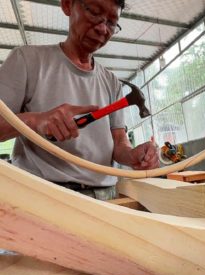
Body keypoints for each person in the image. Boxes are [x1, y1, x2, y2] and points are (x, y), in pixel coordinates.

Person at [0, 0, 159, 200]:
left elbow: (119, 142)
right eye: (94, 12)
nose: (102, 28)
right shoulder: (26, 60)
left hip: (105, 198)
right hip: (42, 196)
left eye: (111, 23)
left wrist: (134, 155)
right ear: (67, 5)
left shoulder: (111, 82)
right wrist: (35, 121)